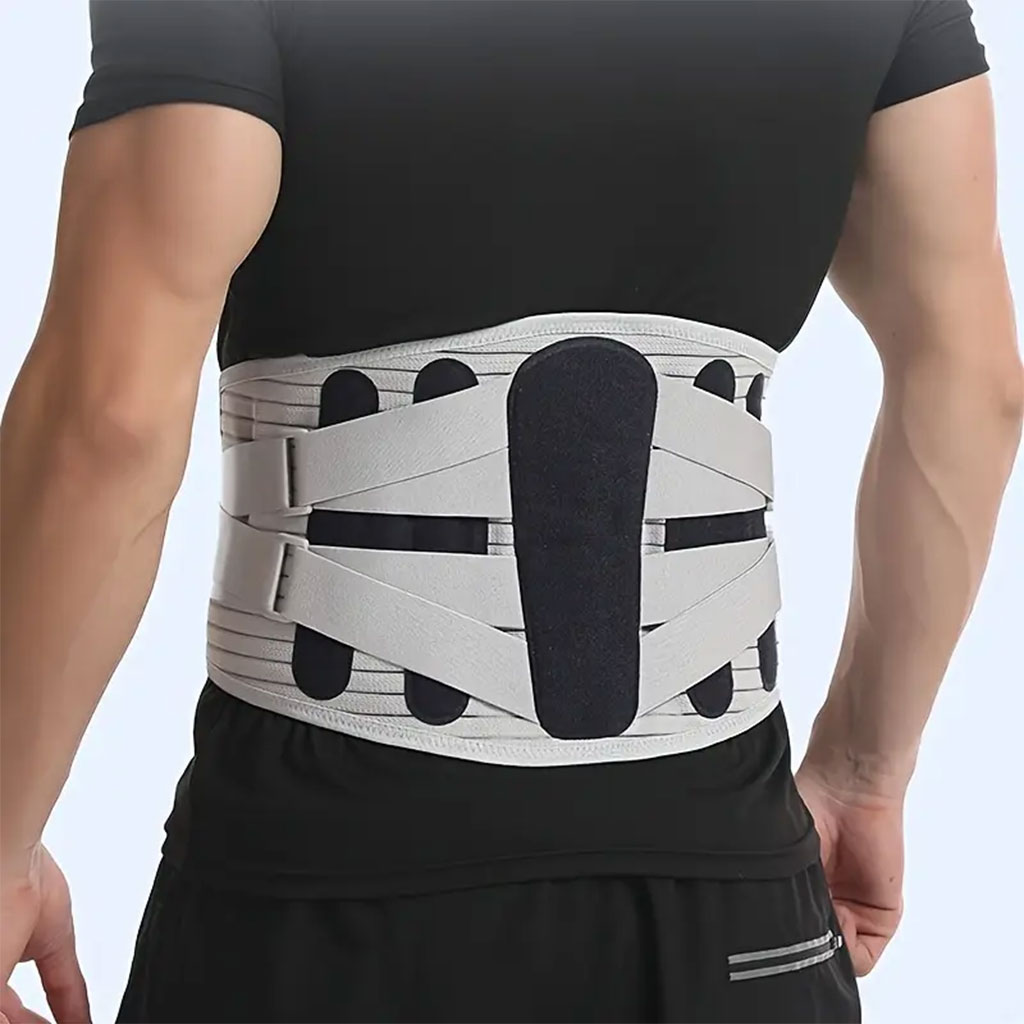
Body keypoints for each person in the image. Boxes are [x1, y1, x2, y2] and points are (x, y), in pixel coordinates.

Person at [2, 2, 1020, 1022]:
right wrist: (864, 773)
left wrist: (1, 853)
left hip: (319, 878)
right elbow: (975, 387)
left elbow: (108, 424)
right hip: (735, 887)